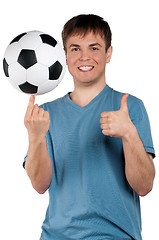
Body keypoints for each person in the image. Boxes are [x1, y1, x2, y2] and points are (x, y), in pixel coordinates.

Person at [23, 14, 155, 240]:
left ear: (108, 53)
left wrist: (129, 134)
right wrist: (35, 137)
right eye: (75, 49)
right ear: (64, 56)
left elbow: (144, 186)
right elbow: (39, 185)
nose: (85, 57)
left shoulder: (130, 107)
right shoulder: (45, 114)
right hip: (56, 236)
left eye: (94, 48)